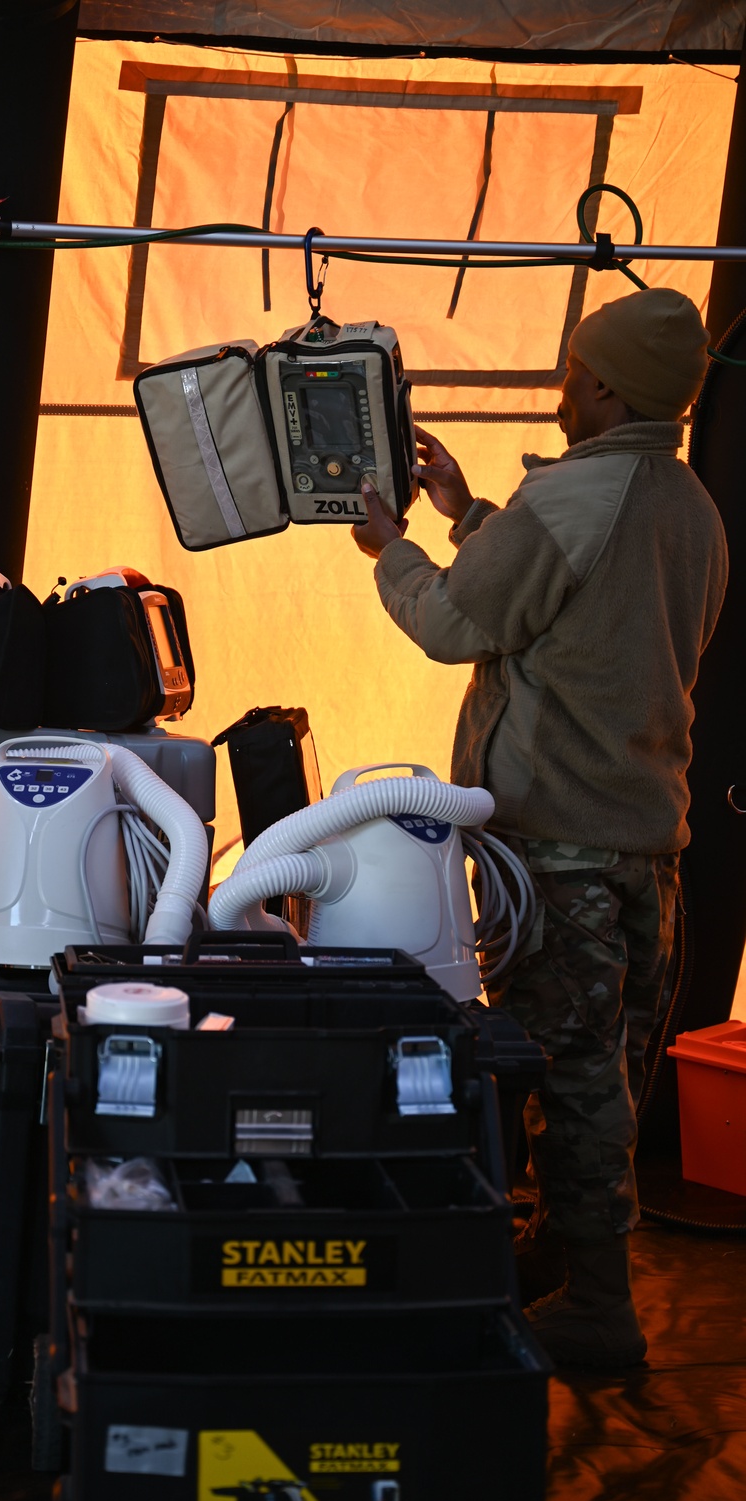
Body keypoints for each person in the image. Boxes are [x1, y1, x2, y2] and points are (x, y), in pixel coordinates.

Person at [351, 288, 728, 1369]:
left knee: (568, 1071)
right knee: (605, 1063)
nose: (561, 387)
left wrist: (391, 547)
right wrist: (473, 517)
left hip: (558, 840)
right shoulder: (690, 505)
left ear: (604, 386)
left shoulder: (574, 500)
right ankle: (562, 1255)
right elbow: (572, 606)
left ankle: (600, 1311)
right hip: (646, 839)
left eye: (572, 369)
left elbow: (455, 621)